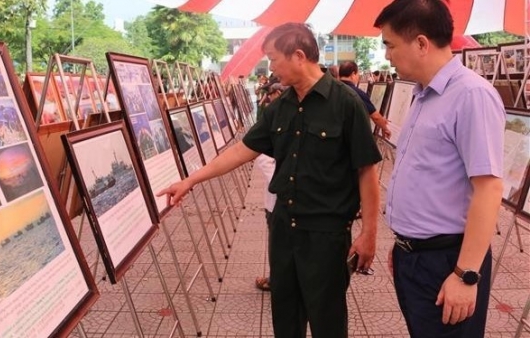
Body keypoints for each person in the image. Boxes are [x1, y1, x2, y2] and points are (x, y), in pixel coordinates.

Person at [158, 22, 381, 338]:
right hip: (283, 227)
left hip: (326, 234)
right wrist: (192, 180)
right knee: (285, 316)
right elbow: (241, 151)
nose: (271, 68)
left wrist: (369, 234)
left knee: (327, 320)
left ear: (299, 55)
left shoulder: (346, 105)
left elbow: (366, 172)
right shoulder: (281, 106)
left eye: (274, 59)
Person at [374, 1, 505, 337]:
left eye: (390, 44)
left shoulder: (471, 95)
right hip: (414, 257)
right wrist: (405, 244)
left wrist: (467, 274)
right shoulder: (422, 94)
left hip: (449, 261)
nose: (386, 55)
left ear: (421, 43)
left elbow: (488, 189)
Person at [254, 83, 285, 292]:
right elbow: (261, 156)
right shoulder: (271, 116)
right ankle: (277, 280)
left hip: (307, 201)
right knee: (278, 244)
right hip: (277, 199)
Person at [338, 61, 392, 139]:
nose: (358, 77)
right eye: (358, 74)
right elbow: (375, 116)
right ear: (353, 74)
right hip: (350, 136)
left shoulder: (332, 90)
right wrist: (385, 128)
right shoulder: (356, 93)